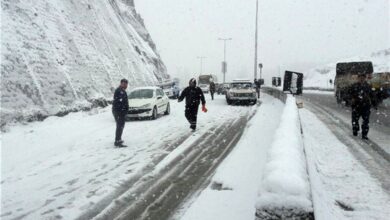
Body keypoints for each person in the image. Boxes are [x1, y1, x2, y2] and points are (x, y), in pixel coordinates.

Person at [349, 73, 377, 140]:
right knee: (355, 120)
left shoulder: (368, 86)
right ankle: (355, 130)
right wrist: (351, 99)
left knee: (366, 121)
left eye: (363, 77)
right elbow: (349, 95)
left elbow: (372, 96)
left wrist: (374, 104)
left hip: (365, 106)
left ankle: (364, 134)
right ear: (358, 78)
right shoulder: (354, 86)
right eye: (360, 77)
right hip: (356, 106)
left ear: (365, 78)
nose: (361, 79)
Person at [112, 79, 129, 147]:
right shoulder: (119, 91)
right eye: (124, 84)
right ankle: (117, 141)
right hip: (119, 112)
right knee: (119, 126)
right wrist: (121, 111)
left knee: (121, 126)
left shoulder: (122, 90)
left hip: (121, 112)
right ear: (121, 83)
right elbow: (118, 102)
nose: (125, 85)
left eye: (126, 84)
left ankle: (119, 139)